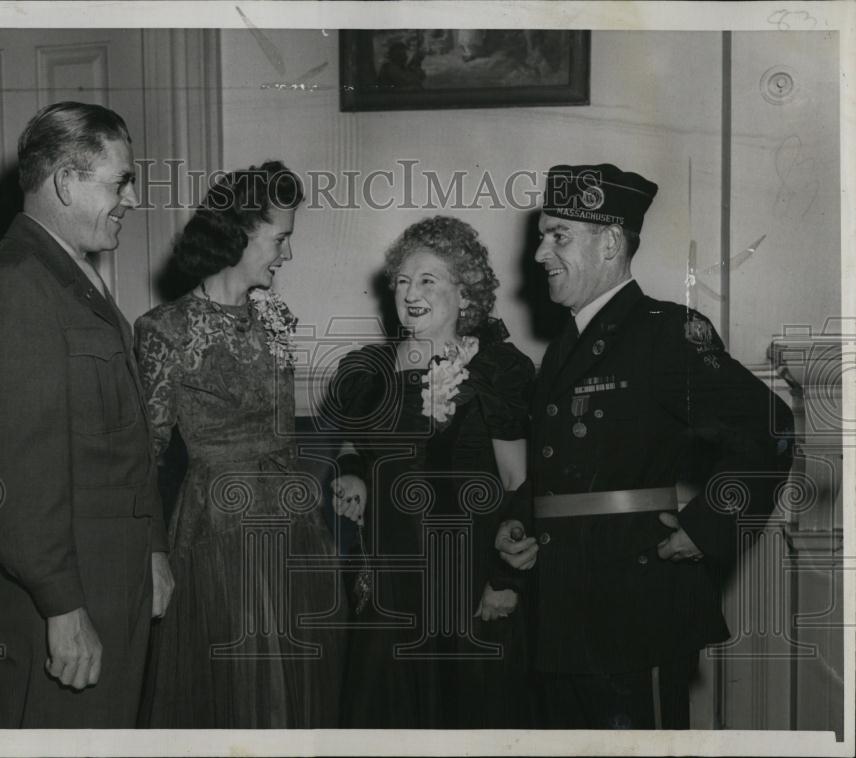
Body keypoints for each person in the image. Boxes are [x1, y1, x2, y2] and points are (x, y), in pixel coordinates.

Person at [496, 163, 794, 729]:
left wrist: (708, 528)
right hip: (562, 608)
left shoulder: (665, 333)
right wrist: (517, 522)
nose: (539, 254)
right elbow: (571, 468)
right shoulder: (566, 345)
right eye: (541, 235)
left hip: (635, 609)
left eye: (558, 235)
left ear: (610, 242)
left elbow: (769, 429)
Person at [0, 101, 173, 728]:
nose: (131, 197)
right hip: (66, 598)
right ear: (66, 182)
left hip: (111, 577)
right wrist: (61, 606)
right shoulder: (18, 284)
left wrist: (151, 547)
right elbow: (11, 475)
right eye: (120, 180)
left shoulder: (72, 276)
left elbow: (123, 439)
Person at [135, 161, 344, 728]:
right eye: (281, 239)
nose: (288, 255)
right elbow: (145, 458)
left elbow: (285, 431)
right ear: (240, 232)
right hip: (219, 531)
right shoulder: (164, 330)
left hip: (295, 526)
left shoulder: (276, 317)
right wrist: (153, 553)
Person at [326, 216, 539, 728]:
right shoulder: (368, 371)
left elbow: (519, 482)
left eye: (428, 280)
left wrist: (504, 579)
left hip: (467, 581)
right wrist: (352, 473)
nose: (410, 292)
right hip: (389, 579)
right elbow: (354, 444)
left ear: (466, 295)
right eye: (401, 281)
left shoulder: (497, 370)